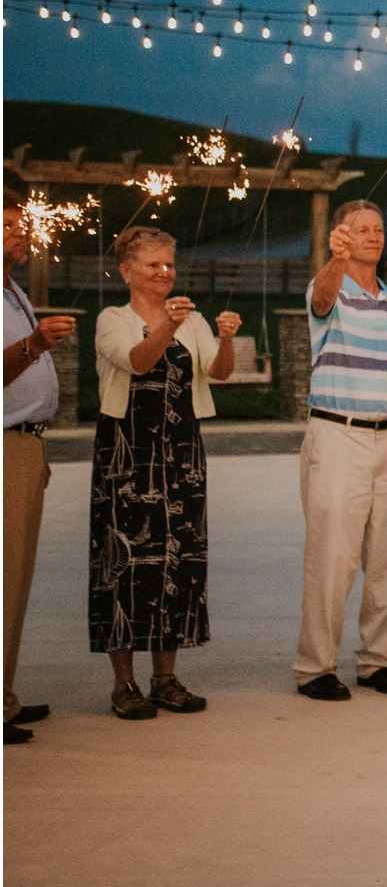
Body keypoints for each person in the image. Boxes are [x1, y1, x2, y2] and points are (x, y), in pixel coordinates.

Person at [91, 228, 239, 719]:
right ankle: (124, 684)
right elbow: (137, 361)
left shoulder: (190, 317)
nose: (164, 273)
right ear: (127, 271)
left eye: (169, 264)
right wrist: (169, 327)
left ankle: (167, 679)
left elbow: (217, 374)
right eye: (153, 265)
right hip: (127, 456)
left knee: (177, 560)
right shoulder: (113, 320)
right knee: (126, 562)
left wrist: (225, 338)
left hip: (180, 453)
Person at [295, 199, 387, 702]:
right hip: (337, 434)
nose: (373, 236)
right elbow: (322, 301)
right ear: (341, 236)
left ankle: (377, 662)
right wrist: (335, 259)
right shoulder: (327, 287)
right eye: (361, 230)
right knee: (332, 556)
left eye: (378, 229)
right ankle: (315, 667)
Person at [3, 190, 76, 745]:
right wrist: (33, 344)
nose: (19, 235)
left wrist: (36, 448)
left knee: (17, 578)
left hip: (23, 445)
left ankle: (5, 697)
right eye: (6, 228)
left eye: (20, 225)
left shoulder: (15, 292)